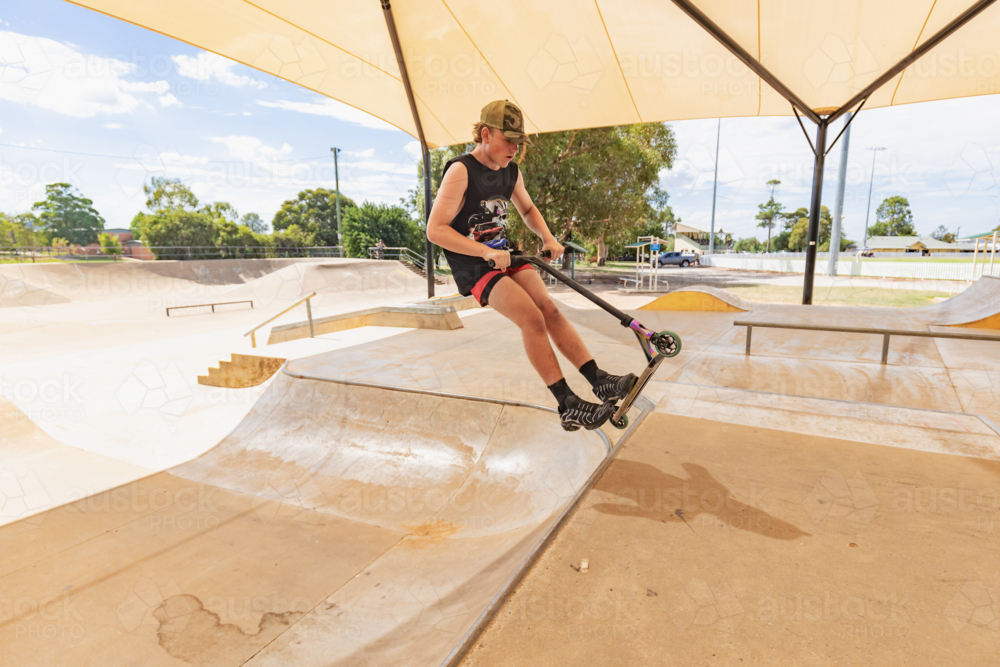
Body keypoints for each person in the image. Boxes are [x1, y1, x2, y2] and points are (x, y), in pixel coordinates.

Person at [426, 100, 636, 432]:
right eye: (508, 140)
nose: (515, 148)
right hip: (475, 266)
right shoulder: (461, 170)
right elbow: (435, 230)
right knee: (531, 318)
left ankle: (599, 380)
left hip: (507, 254)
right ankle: (567, 404)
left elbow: (527, 209)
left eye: (518, 141)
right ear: (485, 134)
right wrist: (483, 252)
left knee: (549, 309)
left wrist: (549, 238)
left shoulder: (511, 171)